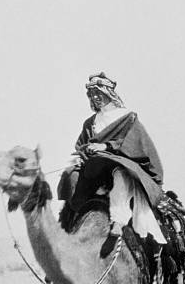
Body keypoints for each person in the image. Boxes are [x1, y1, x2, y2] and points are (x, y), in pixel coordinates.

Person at [58, 72, 167, 258]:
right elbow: (81, 144)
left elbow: (136, 145)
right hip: (95, 170)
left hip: (122, 164)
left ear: (108, 92)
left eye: (97, 92)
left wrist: (107, 146)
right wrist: (84, 153)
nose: (94, 97)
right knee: (70, 176)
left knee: (120, 173)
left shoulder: (127, 118)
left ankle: (118, 221)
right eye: (91, 94)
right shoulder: (90, 122)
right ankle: (69, 227)